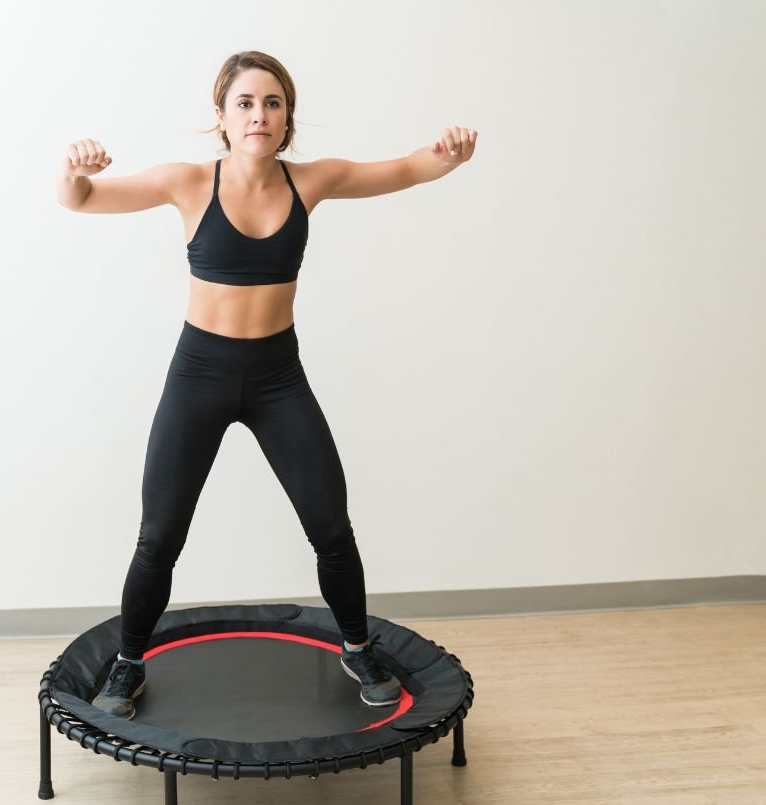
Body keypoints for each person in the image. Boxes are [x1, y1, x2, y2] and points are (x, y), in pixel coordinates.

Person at [56, 51, 477, 720]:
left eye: (274, 103)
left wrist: (451, 153)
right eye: (246, 102)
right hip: (199, 375)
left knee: (330, 523)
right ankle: (129, 660)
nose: (260, 114)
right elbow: (80, 199)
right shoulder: (189, 182)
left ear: (288, 119)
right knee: (159, 533)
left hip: (278, 377)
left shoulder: (310, 182)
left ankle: (357, 644)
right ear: (221, 116)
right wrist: (73, 170)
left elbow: (405, 168)